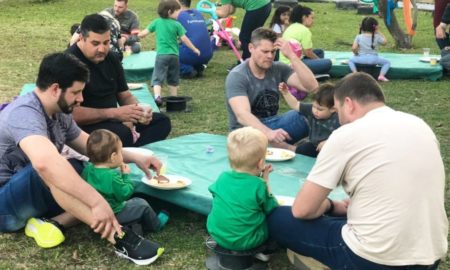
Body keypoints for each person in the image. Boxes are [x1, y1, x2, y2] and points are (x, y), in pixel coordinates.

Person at [267, 72, 448, 269]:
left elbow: (303, 210)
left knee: (277, 217)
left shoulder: (346, 134)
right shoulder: (420, 125)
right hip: (430, 256)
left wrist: (328, 205)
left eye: (337, 110)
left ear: (349, 103)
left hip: (373, 259)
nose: (339, 118)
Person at [0, 52, 165, 265]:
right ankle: (118, 237)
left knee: (81, 166)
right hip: (4, 208)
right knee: (52, 169)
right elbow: (45, 163)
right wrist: (95, 202)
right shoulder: (24, 114)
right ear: (55, 89)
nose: (81, 99)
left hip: (31, 197)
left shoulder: (60, 111)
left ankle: (54, 222)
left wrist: (136, 157)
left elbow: (90, 147)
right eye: (76, 92)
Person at [67, 14, 171, 147]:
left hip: (114, 120)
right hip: (86, 125)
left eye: (106, 42)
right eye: (95, 43)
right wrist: (113, 114)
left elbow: (124, 95)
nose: (102, 49)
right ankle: (125, 149)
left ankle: (122, 150)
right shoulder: (69, 63)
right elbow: (70, 116)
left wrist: (138, 112)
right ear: (81, 38)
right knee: (122, 134)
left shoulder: (111, 58)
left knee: (161, 121)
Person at [226, 27, 318, 150]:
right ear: (251, 48)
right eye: (265, 51)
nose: (270, 56)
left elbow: (312, 87)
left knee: (315, 112)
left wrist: (291, 56)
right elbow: (242, 115)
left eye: (273, 52)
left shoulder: (278, 68)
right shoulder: (238, 76)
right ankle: (294, 149)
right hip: (246, 133)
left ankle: (289, 147)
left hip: (273, 125)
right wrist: (268, 133)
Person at [207, 126, 278, 261]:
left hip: (218, 235)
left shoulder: (222, 177)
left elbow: (215, 194)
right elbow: (271, 207)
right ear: (261, 163)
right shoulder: (259, 185)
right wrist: (266, 179)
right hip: (248, 241)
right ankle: (262, 249)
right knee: (273, 219)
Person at [82, 129, 170, 236]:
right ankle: (156, 224)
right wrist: (126, 175)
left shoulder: (88, 169)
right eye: (120, 152)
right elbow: (124, 194)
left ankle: (134, 225)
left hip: (94, 214)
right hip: (114, 213)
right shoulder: (111, 176)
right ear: (114, 157)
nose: (122, 156)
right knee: (141, 203)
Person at [138, 0, 200, 106]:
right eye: (177, 12)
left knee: (158, 76)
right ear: (170, 12)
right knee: (173, 77)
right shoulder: (177, 25)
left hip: (162, 55)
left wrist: (139, 35)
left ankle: (157, 97)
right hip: (174, 56)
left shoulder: (156, 22)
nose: (179, 14)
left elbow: (144, 33)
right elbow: (185, 39)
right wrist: (194, 49)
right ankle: (174, 99)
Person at [278, 82, 340, 157]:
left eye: (320, 109)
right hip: (315, 145)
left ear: (333, 109)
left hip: (333, 148)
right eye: (314, 106)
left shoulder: (339, 118)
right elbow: (295, 104)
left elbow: (345, 136)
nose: (315, 111)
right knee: (302, 150)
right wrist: (286, 93)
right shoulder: (311, 110)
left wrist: (328, 142)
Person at [215, 0, 272, 67]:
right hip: (265, 4)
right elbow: (231, 9)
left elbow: (224, 13)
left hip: (257, 6)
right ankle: (252, 61)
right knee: (253, 37)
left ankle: (246, 65)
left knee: (245, 38)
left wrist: (211, 11)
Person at [280, 5, 332, 75]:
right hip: (293, 64)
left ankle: (315, 67)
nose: (313, 21)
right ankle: (310, 72)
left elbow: (305, 52)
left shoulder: (292, 26)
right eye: (312, 18)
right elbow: (308, 52)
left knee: (320, 52)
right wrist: (319, 60)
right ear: (304, 17)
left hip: (286, 61)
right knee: (328, 62)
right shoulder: (304, 30)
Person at [177, 0, 214, 78]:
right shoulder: (197, 13)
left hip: (191, 54)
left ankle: (186, 70)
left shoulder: (178, 16)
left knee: (170, 51)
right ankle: (198, 67)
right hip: (207, 54)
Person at [348, 17, 391, 82]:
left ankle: (355, 73)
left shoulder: (359, 36)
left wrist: (356, 54)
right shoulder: (377, 36)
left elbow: (354, 48)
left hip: (361, 59)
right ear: (375, 27)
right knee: (387, 62)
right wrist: (378, 32)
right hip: (374, 59)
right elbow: (385, 42)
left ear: (362, 27)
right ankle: (381, 76)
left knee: (350, 60)